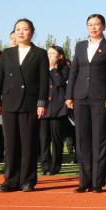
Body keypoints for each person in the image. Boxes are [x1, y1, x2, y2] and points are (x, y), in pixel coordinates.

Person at [0, 18, 49, 192]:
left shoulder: (40, 53)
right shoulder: (7, 53)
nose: (21, 32)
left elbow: (44, 80)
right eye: (18, 29)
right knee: (10, 144)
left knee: (28, 143)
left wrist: (42, 102)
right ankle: (10, 180)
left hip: (30, 103)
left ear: (32, 32)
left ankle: (28, 180)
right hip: (9, 102)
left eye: (25, 29)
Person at [66, 14, 106, 193]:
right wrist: (69, 96)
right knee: (82, 140)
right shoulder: (80, 46)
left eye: (97, 24)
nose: (93, 27)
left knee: (99, 140)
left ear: (103, 26)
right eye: (90, 24)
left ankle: (97, 182)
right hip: (80, 97)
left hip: (101, 98)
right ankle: (84, 181)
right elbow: (73, 71)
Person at [41, 46, 69, 175]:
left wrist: (52, 68)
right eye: (48, 53)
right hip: (43, 108)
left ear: (60, 56)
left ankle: (55, 165)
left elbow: (59, 82)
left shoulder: (65, 69)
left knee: (56, 140)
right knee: (43, 139)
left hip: (58, 109)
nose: (49, 55)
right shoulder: (42, 68)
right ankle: (45, 165)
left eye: (52, 53)